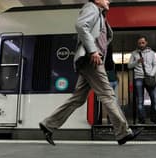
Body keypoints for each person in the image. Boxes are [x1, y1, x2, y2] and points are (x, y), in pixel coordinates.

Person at [39, 0, 142, 146]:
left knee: (78, 99)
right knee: (108, 95)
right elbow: (81, 26)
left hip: (91, 61)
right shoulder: (91, 7)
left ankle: (48, 124)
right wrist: (93, 51)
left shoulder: (100, 15)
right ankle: (123, 133)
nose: (109, 1)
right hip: (91, 60)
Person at [128, 36, 156, 124]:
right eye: (139, 43)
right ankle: (142, 119)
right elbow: (129, 66)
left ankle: (154, 118)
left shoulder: (152, 53)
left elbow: (155, 65)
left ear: (146, 43)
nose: (141, 44)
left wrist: (151, 74)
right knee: (140, 100)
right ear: (137, 44)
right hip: (138, 78)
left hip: (149, 77)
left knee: (154, 99)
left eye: (143, 42)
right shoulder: (134, 53)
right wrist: (137, 61)